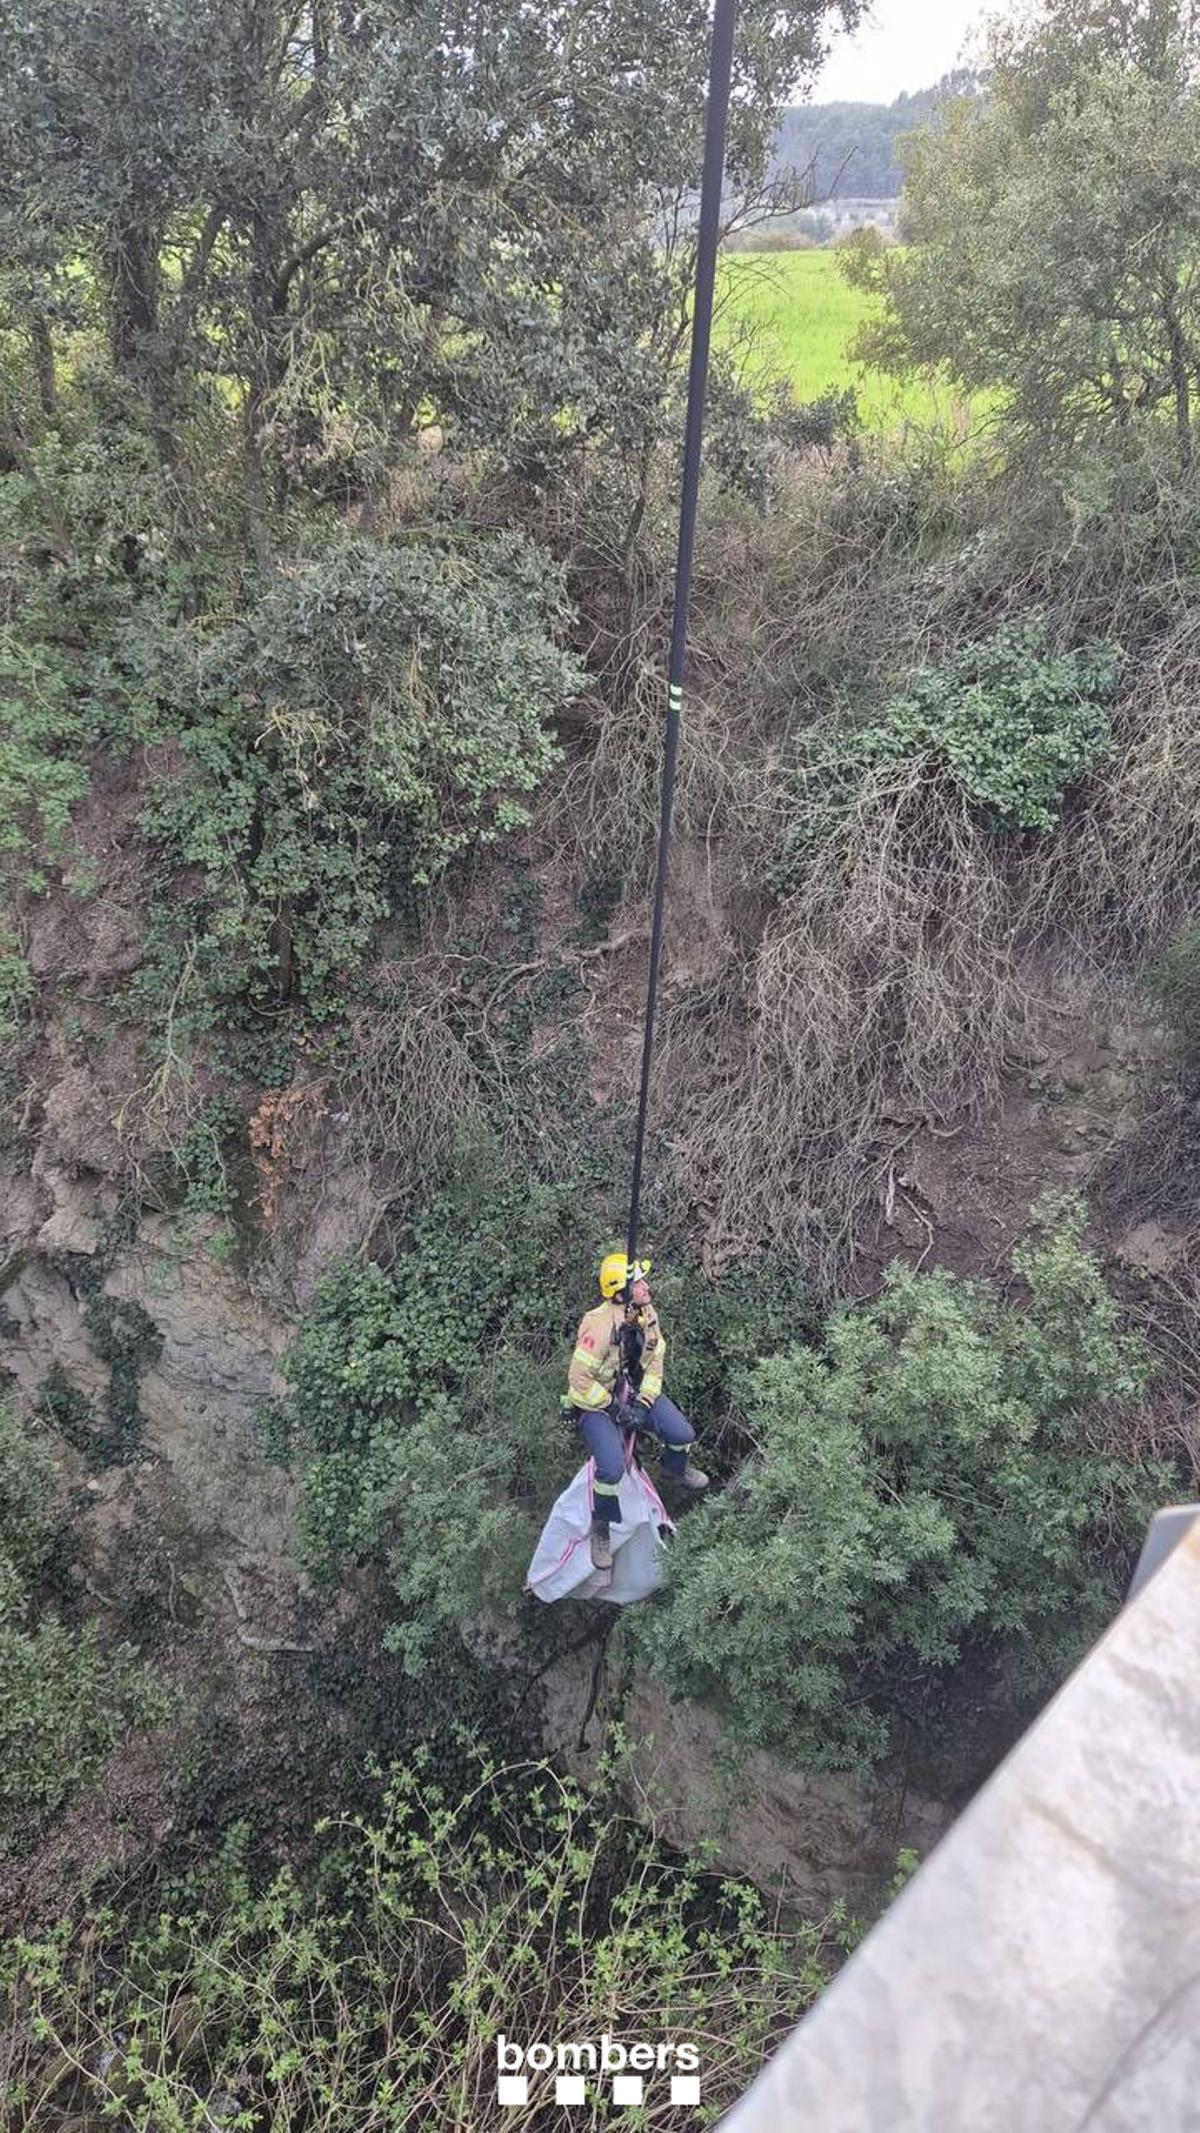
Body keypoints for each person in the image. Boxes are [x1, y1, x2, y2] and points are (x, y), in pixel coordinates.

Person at [566, 1252, 709, 1571]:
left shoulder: (646, 1313)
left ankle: (675, 1469)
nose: (647, 1286)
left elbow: (655, 1360)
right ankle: (601, 1527)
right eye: (639, 1283)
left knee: (682, 1434)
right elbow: (578, 1379)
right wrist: (614, 1408)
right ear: (621, 1292)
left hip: (634, 1391)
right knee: (612, 1469)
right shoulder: (599, 1325)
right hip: (597, 1403)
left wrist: (644, 1403)